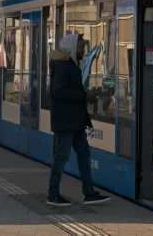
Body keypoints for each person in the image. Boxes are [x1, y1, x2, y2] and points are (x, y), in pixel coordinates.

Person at [47, 33, 110, 206]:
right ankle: (52, 194)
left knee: (84, 153)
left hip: (74, 121)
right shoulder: (64, 66)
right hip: (67, 121)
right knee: (61, 156)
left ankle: (88, 193)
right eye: (81, 47)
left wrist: (87, 95)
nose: (83, 51)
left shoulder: (71, 65)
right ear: (71, 48)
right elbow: (58, 91)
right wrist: (83, 96)